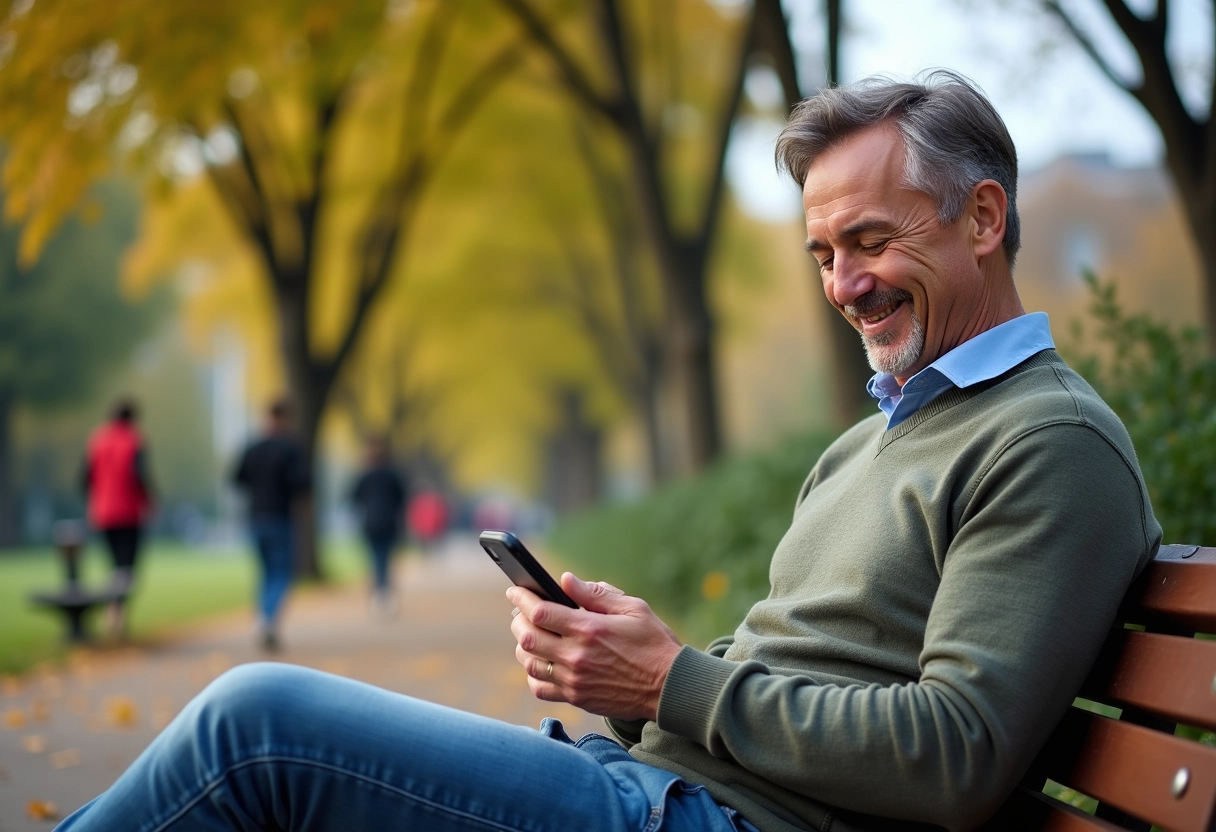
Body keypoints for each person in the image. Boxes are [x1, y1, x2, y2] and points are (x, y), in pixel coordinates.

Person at [54, 71, 1160, 832]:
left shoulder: (1047, 443)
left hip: (707, 819)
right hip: (652, 786)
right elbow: (770, 680)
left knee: (256, 732)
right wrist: (625, 674)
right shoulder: (871, 441)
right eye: (823, 251)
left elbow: (955, 754)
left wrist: (673, 680)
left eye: (872, 240)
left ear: (980, 218)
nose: (842, 283)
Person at [232, 398, 310, 652]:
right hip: (281, 518)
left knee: (265, 572)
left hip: (256, 517)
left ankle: (263, 618)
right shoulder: (291, 449)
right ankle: (268, 619)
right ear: (285, 419)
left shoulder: (253, 448)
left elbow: (237, 478)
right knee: (280, 573)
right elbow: (303, 484)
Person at [81, 397, 154, 639]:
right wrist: (150, 500)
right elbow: (139, 475)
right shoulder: (134, 440)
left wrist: (95, 499)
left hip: (103, 512)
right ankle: (116, 612)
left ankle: (116, 611)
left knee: (115, 564)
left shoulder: (96, 440)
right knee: (128, 566)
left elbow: (85, 478)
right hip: (129, 512)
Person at [349, 436, 408, 616]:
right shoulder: (392, 475)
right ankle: (386, 598)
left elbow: (354, 497)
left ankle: (379, 597)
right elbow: (401, 498)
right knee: (386, 561)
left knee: (376, 561)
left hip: (371, 524)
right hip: (389, 523)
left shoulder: (364, 475)